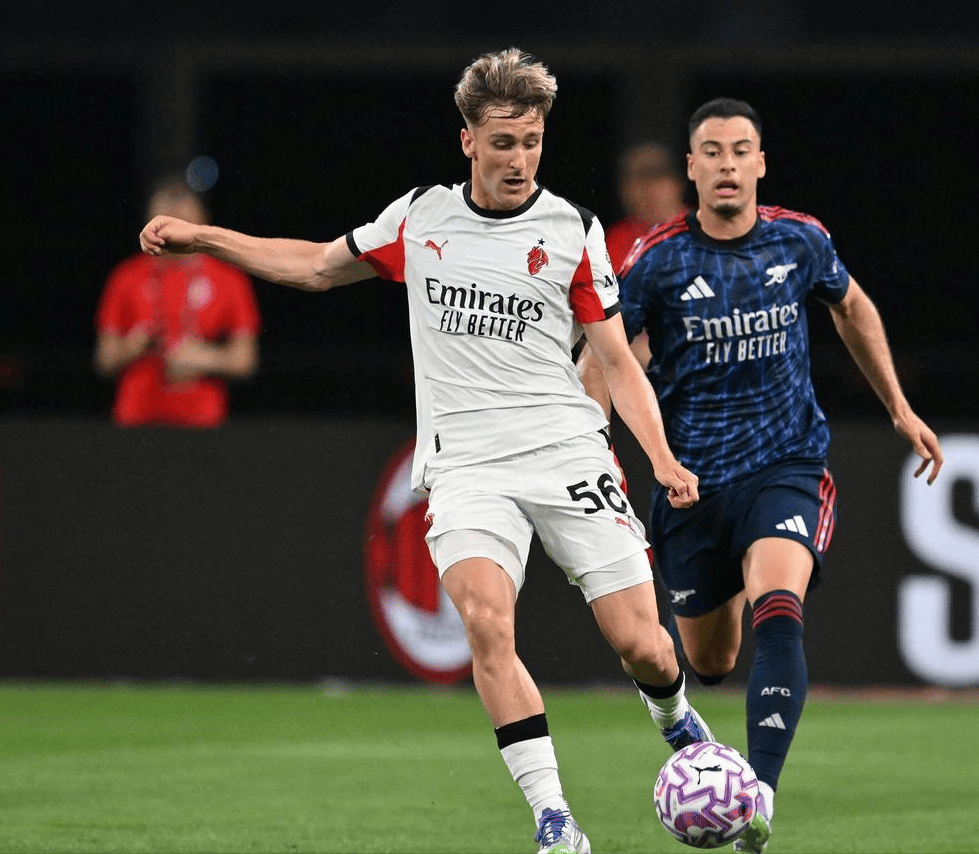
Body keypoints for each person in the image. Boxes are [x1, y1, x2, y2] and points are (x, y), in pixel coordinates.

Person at [139, 48, 713, 854]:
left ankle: (676, 718)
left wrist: (661, 457)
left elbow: (617, 360)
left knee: (642, 645)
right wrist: (206, 238)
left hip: (566, 451)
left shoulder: (572, 230)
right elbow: (315, 267)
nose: (519, 159)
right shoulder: (422, 218)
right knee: (485, 623)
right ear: (468, 141)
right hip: (467, 466)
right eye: (503, 143)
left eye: (532, 142)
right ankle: (555, 821)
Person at [577, 98, 945, 854]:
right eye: (712, 152)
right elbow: (602, 361)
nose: (727, 165)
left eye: (740, 151)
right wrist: (592, 453)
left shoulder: (799, 239)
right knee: (710, 662)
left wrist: (900, 409)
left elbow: (852, 308)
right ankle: (741, 571)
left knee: (780, 601)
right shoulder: (656, 260)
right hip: (692, 486)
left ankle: (760, 799)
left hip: (786, 465)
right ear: (691, 168)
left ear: (761, 164)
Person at [95, 177, 260, 427]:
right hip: (136, 417)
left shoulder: (229, 278)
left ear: (202, 222)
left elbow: (245, 360)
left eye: (182, 224)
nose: (173, 234)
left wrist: (204, 358)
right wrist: (131, 347)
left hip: (202, 420)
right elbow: (103, 361)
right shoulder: (126, 276)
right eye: (163, 224)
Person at [604, 141, 688, 272]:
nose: (647, 187)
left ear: (678, 181)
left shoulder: (710, 231)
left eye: (656, 174)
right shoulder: (612, 244)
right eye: (637, 177)